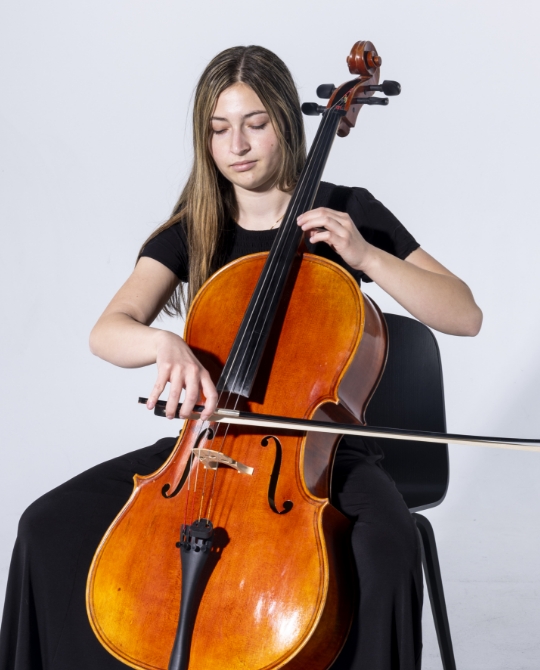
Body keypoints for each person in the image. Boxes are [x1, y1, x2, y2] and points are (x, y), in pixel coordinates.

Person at [0, 45, 482, 670]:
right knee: (47, 527)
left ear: (286, 120)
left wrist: (367, 257)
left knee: (389, 547)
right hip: (205, 443)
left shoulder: (346, 212)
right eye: (219, 128)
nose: (238, 144)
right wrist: (161, 342)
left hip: (321, 455)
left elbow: (464, 314)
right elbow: (108, 331)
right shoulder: (194, 228)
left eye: (255, 123)